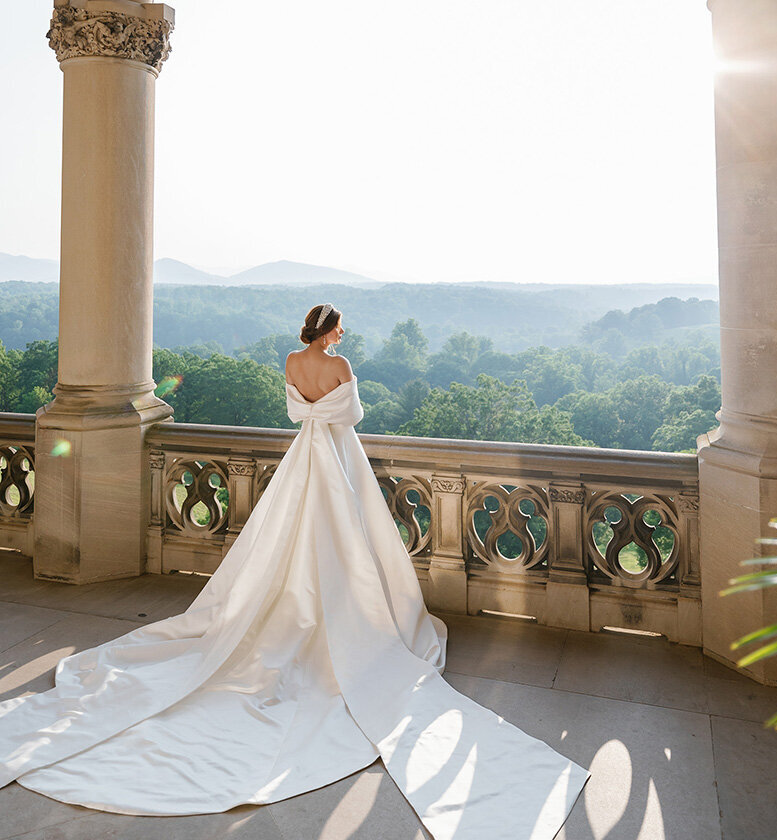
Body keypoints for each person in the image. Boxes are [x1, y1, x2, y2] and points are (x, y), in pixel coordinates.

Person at [0, 303, 589, 837]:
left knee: (287, 539)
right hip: (336, 453)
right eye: (340, 329)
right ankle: (347, 617)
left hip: (304, 453)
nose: (342, 336)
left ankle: (295, 610)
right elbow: (352, 413)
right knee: (348, 540)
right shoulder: (340, 364)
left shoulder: (289, 360)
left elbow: (295, 409)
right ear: (330, 330)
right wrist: (338, 388)